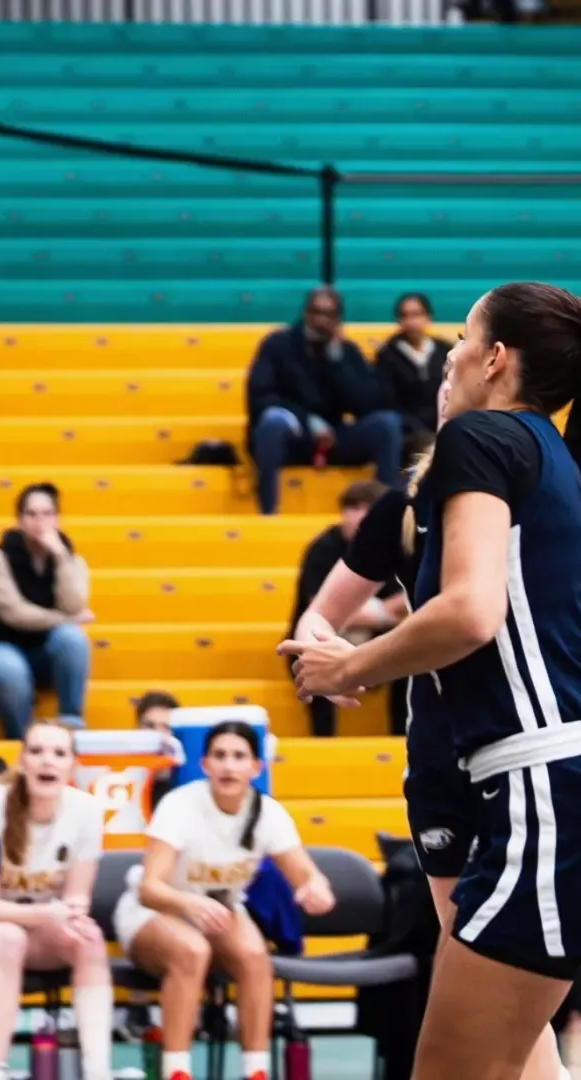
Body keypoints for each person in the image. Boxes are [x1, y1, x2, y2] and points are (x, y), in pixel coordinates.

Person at [283, 282, 581, 1080]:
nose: (449, 352)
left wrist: (348, 665)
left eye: (462, 334)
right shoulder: (554, 457)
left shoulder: (481, 437)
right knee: (516, 1059)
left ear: (495, 358)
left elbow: (470, 612)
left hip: (539, 786)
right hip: (527, 782)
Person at [111, 722, 334, 1080]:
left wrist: (315, 888)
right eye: (220, 756)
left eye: (239, 757)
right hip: (154, 911)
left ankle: (255, 1070)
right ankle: (177, 1070)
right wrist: (188, 904)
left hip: (219, 911)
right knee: (192, 950)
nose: (229, 766)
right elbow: (149, 888)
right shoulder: (179, 805)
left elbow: (306, 875)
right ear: (204, 765)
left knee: (255, 956)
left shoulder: (269, 813)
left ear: (256, 768)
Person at [0, 722, 111, 1080]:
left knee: (89, 938)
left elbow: (77, 899)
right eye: (37, 752)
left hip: (32, 929)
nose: (47, 762)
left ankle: (98, 1070)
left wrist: (70, 916)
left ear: (74, 765)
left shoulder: (87, 812)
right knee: (8, 939)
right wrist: (47, 913)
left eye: (59, 754)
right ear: (22, 761)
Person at [244, 287, 405, 515]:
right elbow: (259, 399)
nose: (320, 320)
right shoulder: (277, 345)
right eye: (315, 312)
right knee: (272, 423)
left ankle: (387, 513)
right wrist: (308, 421)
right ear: (305, 313)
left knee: (386, 424)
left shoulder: (346, 352)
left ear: (337, 319)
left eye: (328, 315)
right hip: (293, 436)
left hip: (333, 437)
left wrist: (338, 364)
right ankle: (268, 511)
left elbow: (366, 405)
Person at [0, 483, 94, 738]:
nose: (40, 521)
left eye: (47, 514)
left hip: (43, 651)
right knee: (10, 667)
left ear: (57, 519)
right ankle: (23, 741)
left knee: (72, 638)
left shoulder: (71, 559)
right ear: (19, 519)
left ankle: (71, 725)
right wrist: (65, 619)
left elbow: (74, 605)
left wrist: (59, 556)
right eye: (31, 514)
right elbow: (14, 613)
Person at [288, 480, 403, 737]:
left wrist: (358, 613)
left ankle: (401, 737)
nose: (358, 516)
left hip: (370, 638)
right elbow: (317, 608)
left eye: (367, 508)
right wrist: (383, 613)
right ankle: (323, 740)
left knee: (411, 655)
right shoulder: (324, 547)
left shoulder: (394, 546)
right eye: (353, 507)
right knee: (314, 653)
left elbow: (405, 605)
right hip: (328, 634)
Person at [374, 292, 449, 459]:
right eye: (405, 315)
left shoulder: (445, 351)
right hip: (406, 434)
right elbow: (388, 403)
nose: (411, 321)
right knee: (430, 445)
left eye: (416, 314)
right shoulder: (387, 356)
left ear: (428, 317)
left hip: (443, 427)